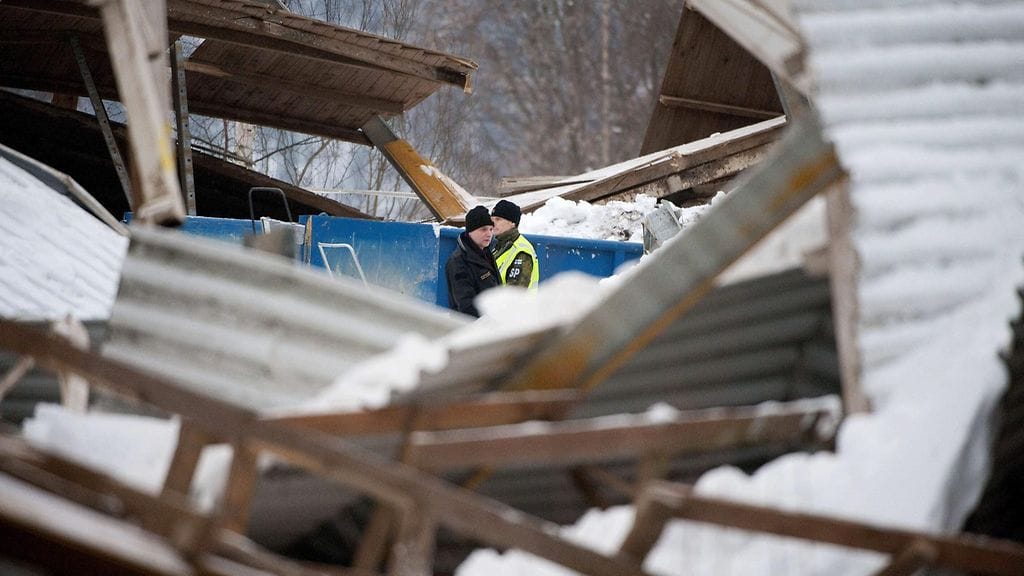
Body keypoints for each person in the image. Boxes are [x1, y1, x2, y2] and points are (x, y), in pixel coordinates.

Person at [445, 205, 499, 317]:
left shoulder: (486, 254)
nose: (489, 234)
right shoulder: (458, 261)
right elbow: (466, 305)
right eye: (483, 229)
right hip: (471, 324)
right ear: (470, 231)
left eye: (491, 229)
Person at [490, 199, 539, 290]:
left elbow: (515, 294)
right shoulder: (500, 247)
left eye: (498, 219)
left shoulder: (521, 251)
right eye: (491, 219)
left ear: (513, 222)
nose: (492, 223)